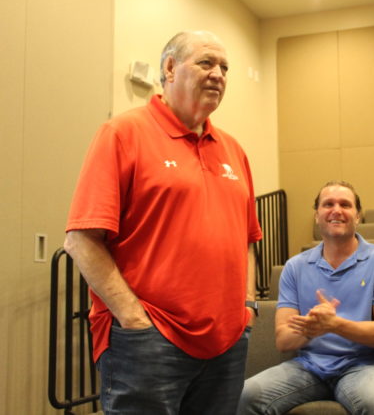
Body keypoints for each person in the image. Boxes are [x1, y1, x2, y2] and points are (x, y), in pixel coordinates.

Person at [64, 30, 262, 415]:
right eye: (206, 63)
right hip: (148, 343)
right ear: (170, 68)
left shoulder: (234, 150)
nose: (219, 74)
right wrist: (134, 318)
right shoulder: (122, 133)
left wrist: (247, 305)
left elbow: (248, 239)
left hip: (226, 344)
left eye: (224, 67)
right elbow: (81, 240)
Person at [238, 181, 374, 415]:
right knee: (246, 396)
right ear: (317, 215)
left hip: (367, 365)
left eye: (345, 205)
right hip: (309, 366)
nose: (336, 210)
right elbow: (284, 341)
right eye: (328, 204)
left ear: (357, 216)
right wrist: (312, 328)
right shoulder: (295, 267)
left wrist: (334, 325)